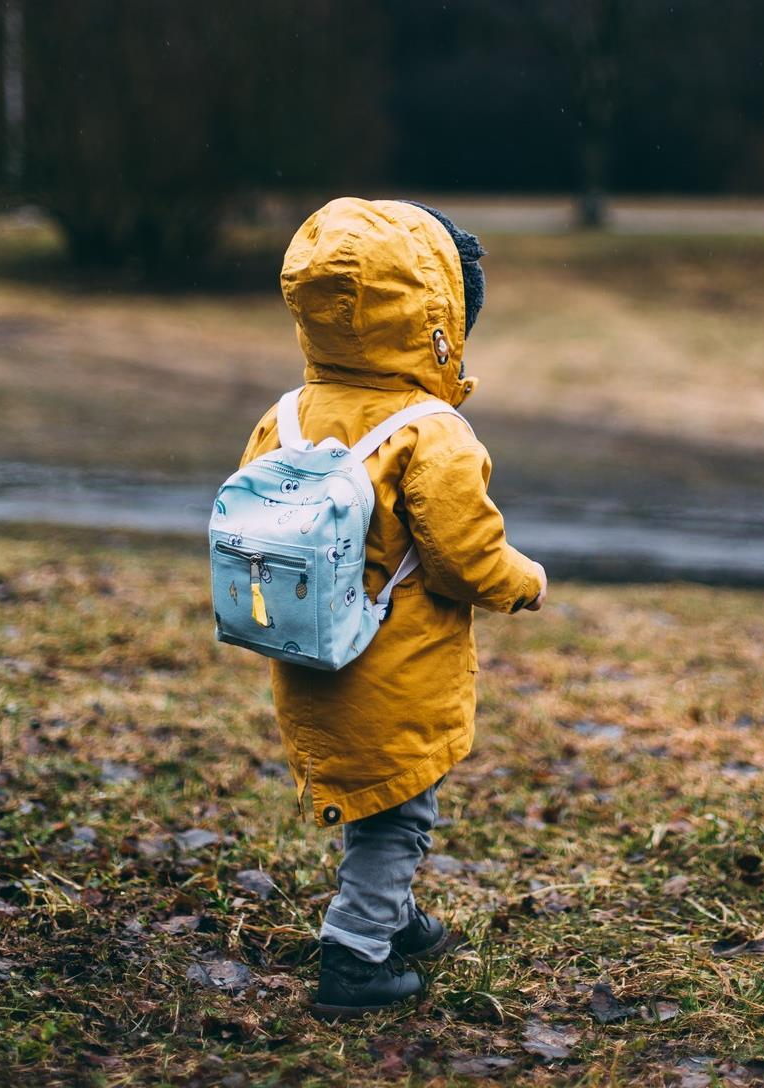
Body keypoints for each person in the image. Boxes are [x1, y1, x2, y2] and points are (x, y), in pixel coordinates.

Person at [238, 197, 547, 1019]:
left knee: (378, 797)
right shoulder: (430, 431)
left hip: (310, 657)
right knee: (400, 813)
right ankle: (356, 954)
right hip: (396, 666)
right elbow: (464, 555)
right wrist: (524, 580)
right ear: (437, 319)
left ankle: (394, 916)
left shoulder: (288, 417)